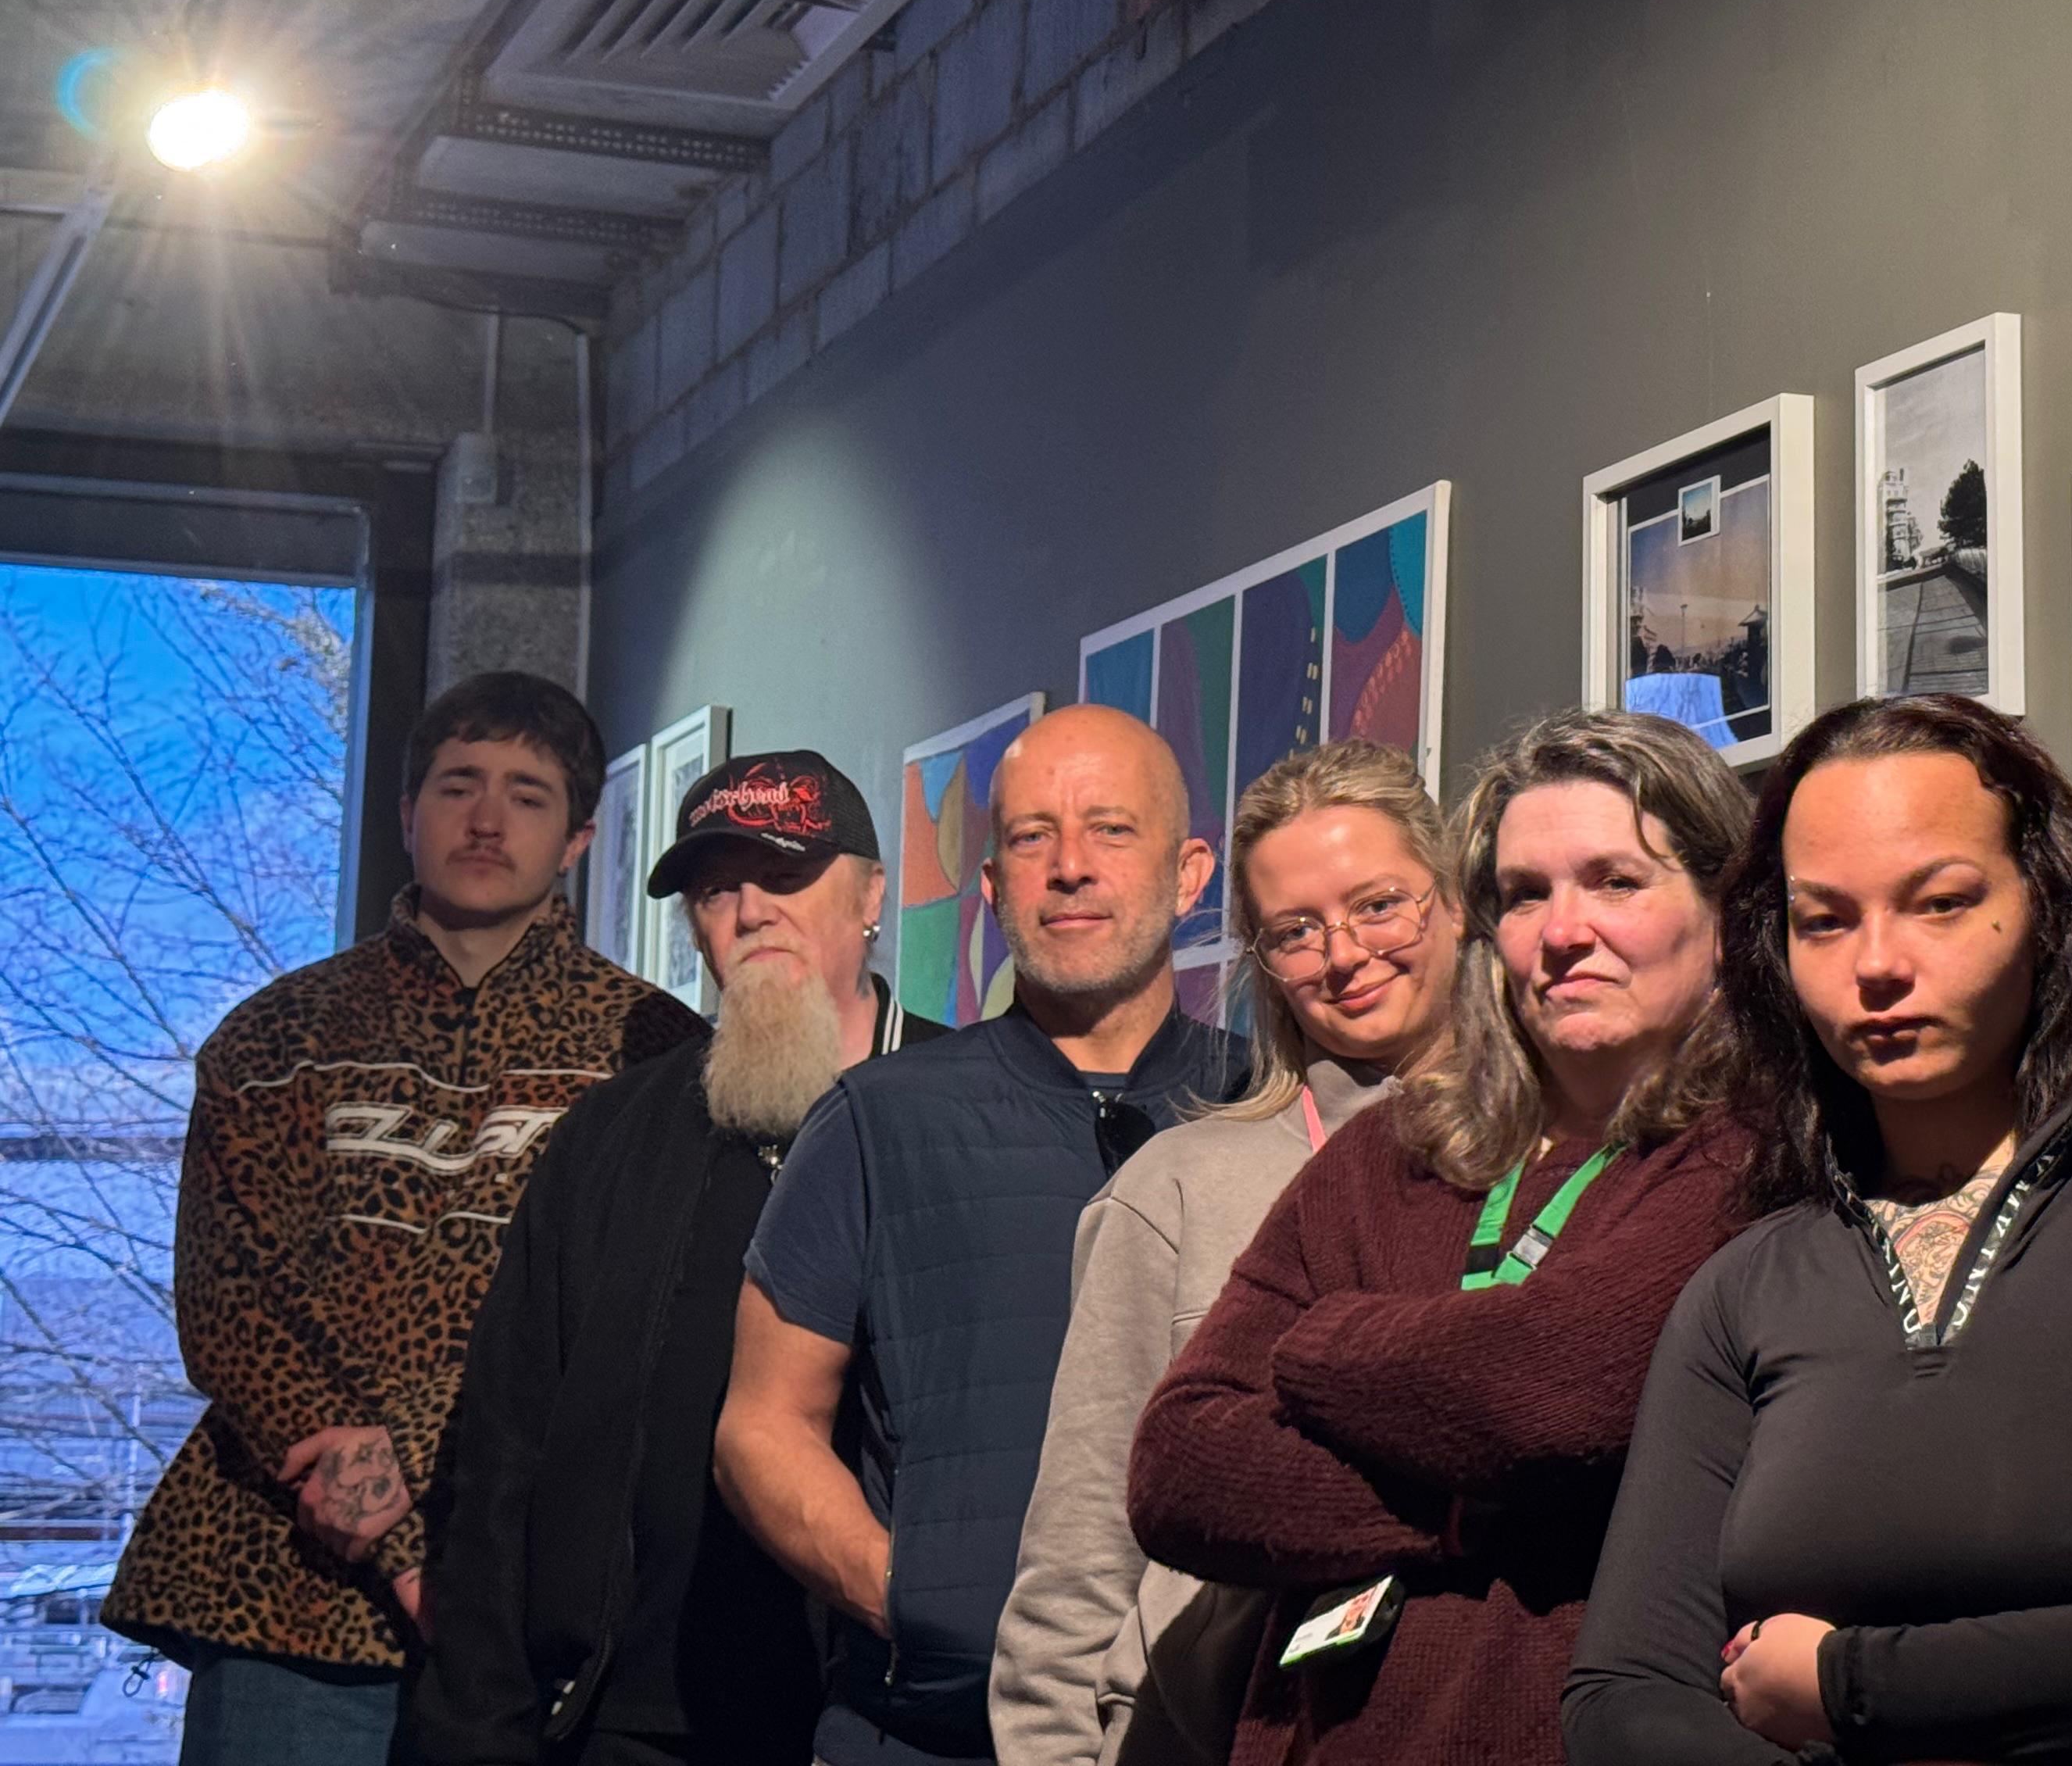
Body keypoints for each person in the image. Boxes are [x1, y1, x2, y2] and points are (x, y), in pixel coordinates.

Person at [1562, 695, 2072, 1765]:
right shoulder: (1745, 1288)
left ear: (2050, 909)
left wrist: (1853, 1682)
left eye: (1940, 903)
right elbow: (1623, 1697)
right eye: (1825, 920)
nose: (1878, 963)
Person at [1125, 709, 1756, 1766]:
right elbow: (1180, 1468)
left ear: (1724, 907)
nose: (1563, 931)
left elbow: (1560, 1385)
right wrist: (1477, 1511)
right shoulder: (1391, 1153)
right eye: (1524, 895)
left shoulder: (1755, 1146)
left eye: (1615, 881)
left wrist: (1318, 1344)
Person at [104, 673, 705, 1765]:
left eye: (527, 794)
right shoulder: (275, 1036)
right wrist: (378, 1517)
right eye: (458, 785)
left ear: (577, 836)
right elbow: (231, 1305)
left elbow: (648, 1318)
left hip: (544, 1588)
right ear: (405, 814)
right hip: (289, 1594)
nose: (486, 819)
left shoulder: (655, 1047)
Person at [717, 706, 1245, 1766]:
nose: (1071, 868)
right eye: (1033, 837)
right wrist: (913, 1597)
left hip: (1217, 1727)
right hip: (925, 1734)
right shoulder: (876, 1118)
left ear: (1190, 876)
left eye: (1111, 829)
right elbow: (761, 1426)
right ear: (994, 887)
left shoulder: (1270, 1108)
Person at [406, 751, 948, 1766]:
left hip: (895, 1720)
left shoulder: (970, 1110)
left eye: (783, 874)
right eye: (714, 889)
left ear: (872, 893)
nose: (748, 912)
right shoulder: (612, 1136)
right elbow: (499, 1458)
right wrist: (472, 1731)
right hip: (627, 1721)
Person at [988, 742, 1467, 1766]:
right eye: (1295, 931)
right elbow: (1078, 1559)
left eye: (1381, 905)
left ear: (1458, 899)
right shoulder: (1181, 1188)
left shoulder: (1582, 1160)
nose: (1344, 954)